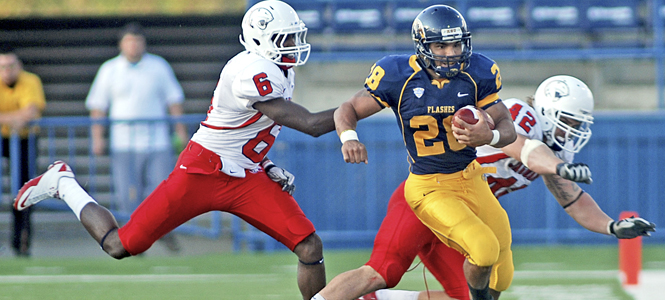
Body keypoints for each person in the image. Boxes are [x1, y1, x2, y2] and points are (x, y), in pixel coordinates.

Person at [14, 1, 333, 298]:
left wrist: (264, 162)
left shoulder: (279, 70)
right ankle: (64, 183)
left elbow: (248, 128)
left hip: (245, 175)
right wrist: (368, 101)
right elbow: (310, 124)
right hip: (202, 171)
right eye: (285, 38)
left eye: (294, 37)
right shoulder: (250, 72)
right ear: (261, 40)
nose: (293, 45)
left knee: (309, 246)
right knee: (119, 245)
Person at [337, 76, 659, 300]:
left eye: (577, 124)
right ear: (548, 111)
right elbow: (523, 149)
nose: (572, 130)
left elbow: (573, 200)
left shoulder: (553, 151)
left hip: (466, 217)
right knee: (380, 270)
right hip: (432, 197)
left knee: (484, 288)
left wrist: (613, 227)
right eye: (569, 121)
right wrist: (558, 166)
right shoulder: (520, 115)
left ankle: (378, 299)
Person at [314, 5, 519, 300]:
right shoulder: (397, 75)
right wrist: (349, 137)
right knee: (483, 248)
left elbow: (506, 126)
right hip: (430, 186)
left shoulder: (478, 71)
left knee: (503, 271)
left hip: (471, 178)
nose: (450, 53)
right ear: (423, 46)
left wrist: (491, 135)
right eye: (440, 45)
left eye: (455, 44)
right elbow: (348, 108)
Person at [85, 22, 188, 251]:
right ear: (121, 44)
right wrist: (97, 137)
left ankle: (161, 233)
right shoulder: (109, 69)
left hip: (157, 141)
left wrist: (181, 134)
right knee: (127, 195)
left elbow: (174, 101)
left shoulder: (159, 66)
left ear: (144, 43)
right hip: (124, 143)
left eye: (137, 41)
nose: (133, 46)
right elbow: (98, 106)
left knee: (160, 193)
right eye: (129, 41)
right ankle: (132, 241)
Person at [0, 45, 46, 257]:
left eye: (11, 66)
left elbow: (30, 113)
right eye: (3, 67)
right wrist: (14, 119)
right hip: (4, 137)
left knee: (25, 191)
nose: (7, 71)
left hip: (25, 140)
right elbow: (21, 116)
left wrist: (10, 119)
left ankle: (22, 243)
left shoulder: (31, 81)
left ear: (19, 66)